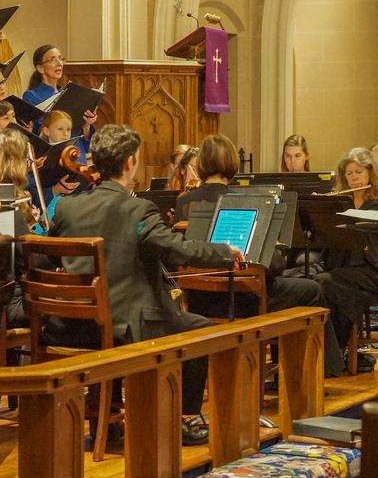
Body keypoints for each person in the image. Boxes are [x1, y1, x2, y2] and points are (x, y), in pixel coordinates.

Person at [47, 125, 242, 445]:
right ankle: (179, 419)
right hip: (126, 326)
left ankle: (108, 424)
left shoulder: (68, 207)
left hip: (72, 324)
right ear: (130, 163)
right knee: (200, 329)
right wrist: (224, 252)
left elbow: (47, 258)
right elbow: (178, 249)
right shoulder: (137, 208)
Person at [175, 134, 345, 377]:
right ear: (232, 164)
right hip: (240, 299)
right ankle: (318, 373)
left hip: (199, 299)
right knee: (311, 290)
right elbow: (271, 264)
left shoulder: (184, 203)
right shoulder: (244, 201)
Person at [310, 147, 378, 373]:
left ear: (370, 174)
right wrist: (321, 214)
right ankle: (313, 353)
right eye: (349, 174)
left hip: (370, 273)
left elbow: (375, 251)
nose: (354, 178)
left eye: (358, 172)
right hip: (342, 267)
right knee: (306, 280)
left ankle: (332, 354)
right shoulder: (341, 203)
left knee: (324, 284)